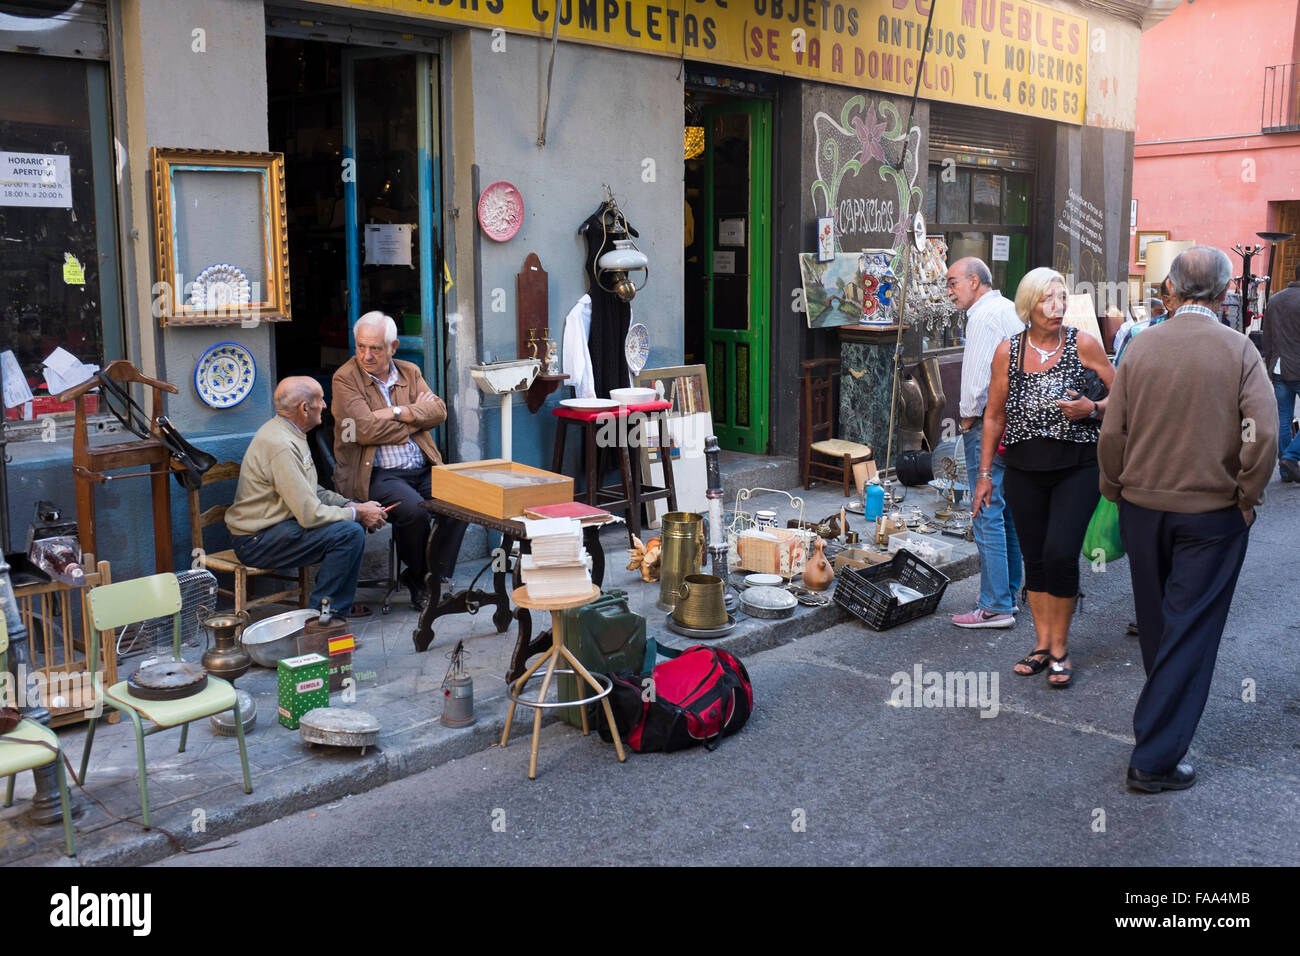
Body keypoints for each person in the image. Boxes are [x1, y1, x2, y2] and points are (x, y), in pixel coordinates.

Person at [1099, 246, 1276, 792]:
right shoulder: (1239, 350)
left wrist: (1115, 487)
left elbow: (1113, 434)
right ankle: (1153, 759)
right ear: (1224, 294)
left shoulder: (1141, 347)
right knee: (1190, 630)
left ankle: (1160, 728)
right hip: (1211, 513)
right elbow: (1263, 434)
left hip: (1143, 507)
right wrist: (1246, 493)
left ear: (1171, 288)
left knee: (1158, 623)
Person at [972, 267, 1114, 687]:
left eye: (1062, 298)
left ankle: (1061, 648)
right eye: (1048, 300)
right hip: (1023, 471)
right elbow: (994, 415)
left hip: (1077, 468)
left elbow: (1123, 392)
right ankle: (1042, 644)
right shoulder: (1008, 352)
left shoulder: (1083, 343)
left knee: (1059, 552)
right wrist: (984, 475)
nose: (1058, 307)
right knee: (1034, 557)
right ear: (1029, 306)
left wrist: (1093, 408)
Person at [332, 311, 467, 613]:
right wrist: (415, 419)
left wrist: (394, 412)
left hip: (423, 467)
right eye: (360, 347)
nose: (366, 355)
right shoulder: (345, 378)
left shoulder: (409, 372)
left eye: (375, 348)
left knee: (463, 502)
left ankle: (430, 574)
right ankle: (421, 581)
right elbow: (363, 429)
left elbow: (440, 412)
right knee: (414, 511)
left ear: (393, 347)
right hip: (377, 474)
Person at [225, 377, 387, 622]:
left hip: (276, 529)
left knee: (351, 528)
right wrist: (359, 514)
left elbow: (312, 490)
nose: (324, 405)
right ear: (304, 408)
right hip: (257, 541)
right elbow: (309, 515)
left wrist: (350, 505)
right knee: (349, 533)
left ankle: (334, 611)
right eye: (320, 399)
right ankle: (320, 618)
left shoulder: (290, 433)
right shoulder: (281, 444)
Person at [946, 257, 1026, 629]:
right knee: (1003, 509)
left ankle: (995, 605)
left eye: (953, 283)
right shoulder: (1007, 307)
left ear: (974, 281)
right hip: (1012, 422)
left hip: (989, 422)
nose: (950, 291)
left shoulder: (982, 316)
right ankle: (1008, 593)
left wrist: (966, 417)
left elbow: (976, 379)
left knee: (986, 509)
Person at [1261, 261, 1300, 482]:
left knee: (1283, 419)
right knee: (1283, 418)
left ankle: (1285, 470)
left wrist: (1268, 364)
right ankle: (1292, 457)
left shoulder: (1275, 300)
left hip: (1278, 367)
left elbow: (1266, 336)